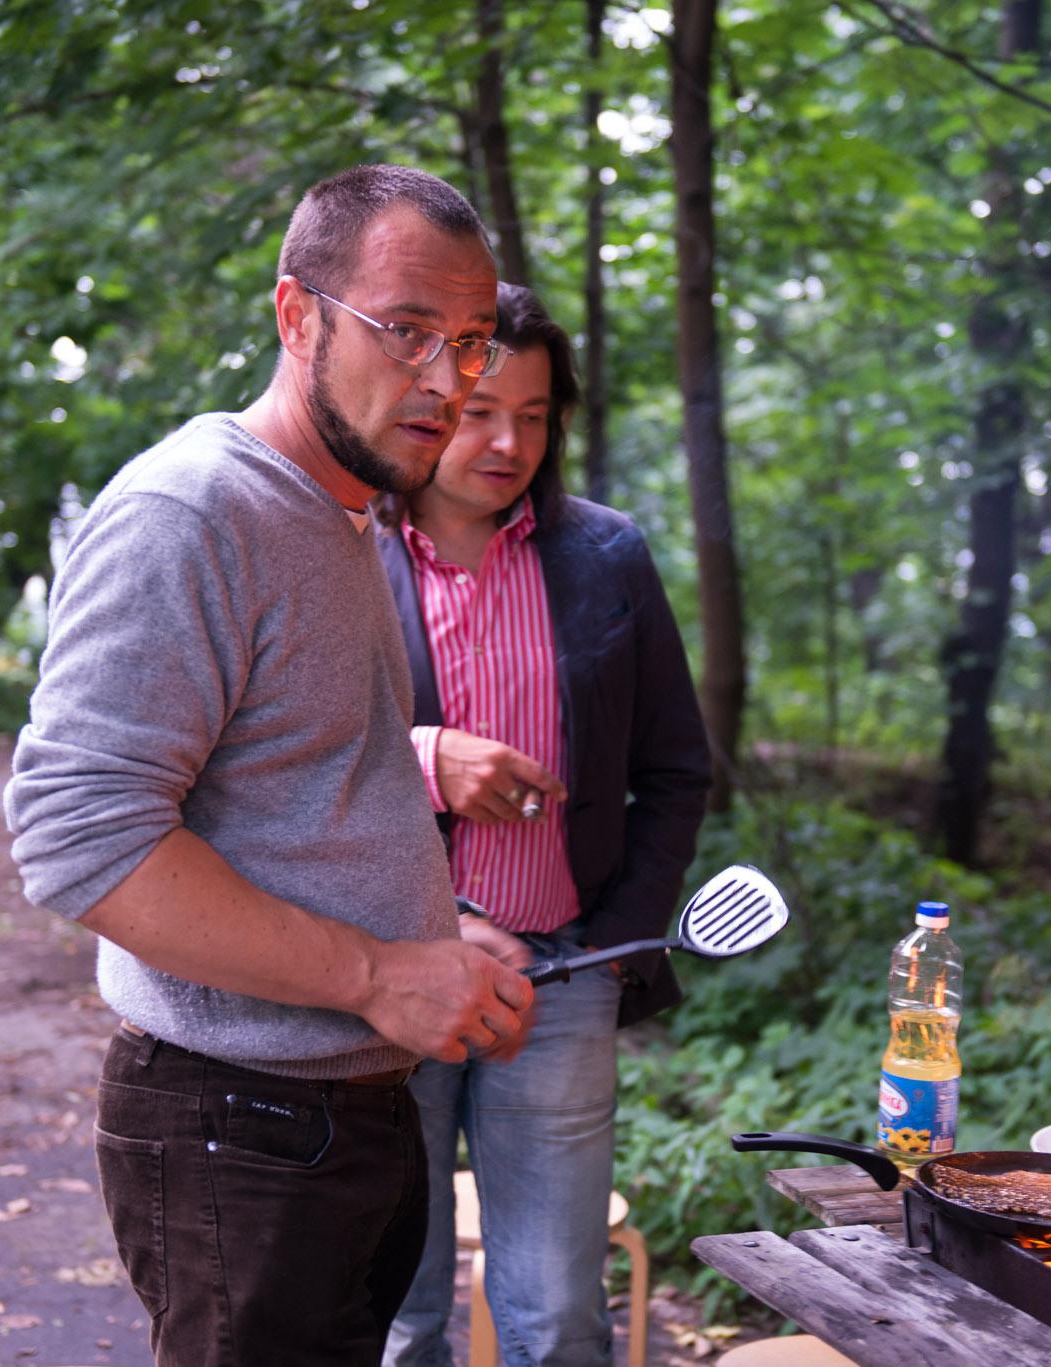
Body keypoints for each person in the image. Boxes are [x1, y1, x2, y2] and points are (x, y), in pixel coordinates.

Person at [2, 164, 537, 1366]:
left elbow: (281, 787)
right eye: (405, 331)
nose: (448, 381)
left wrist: (431, 933)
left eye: (467, 341)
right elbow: (78, 835)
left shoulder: (340, 509)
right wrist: (375, 970)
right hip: (231, 1123)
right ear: (296, 316)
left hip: (337, 1116)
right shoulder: (192, 513)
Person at [378, 285, 712, 1367]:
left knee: (558, 1318)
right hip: (390, 971)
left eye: (534, 414)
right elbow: (276, 766)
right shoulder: (336, 552)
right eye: (480, 411)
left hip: (561, 981)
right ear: (427, 402)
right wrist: (429, 757)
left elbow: (674, 769)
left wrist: (615, 946)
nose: (507, 440)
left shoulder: (606, 556)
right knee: (396, 1312)